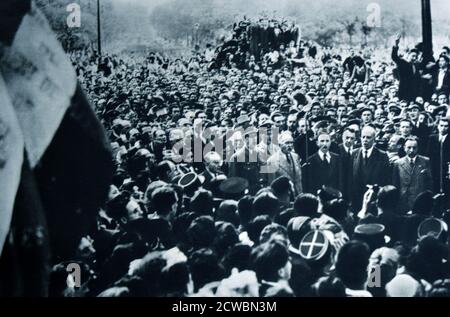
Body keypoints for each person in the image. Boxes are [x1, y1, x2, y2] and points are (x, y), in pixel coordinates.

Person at [351, 126, 391, 211]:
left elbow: (386, 178)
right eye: (363, 137)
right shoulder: (354, 154)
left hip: (374, 199)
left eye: (368, 137)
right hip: (356, 199)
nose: (365, 140)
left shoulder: (382, 156)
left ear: (374, 139)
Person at [392, 137, 433, 214]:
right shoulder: (398, 163)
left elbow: (429, 182)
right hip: (404, 202)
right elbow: (395, 184)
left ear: (418, 148)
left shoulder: (425, 161)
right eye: (409, 147)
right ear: (404, 148)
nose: (411, 150)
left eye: (414, 148)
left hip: (420, 201)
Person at [391, 34, 423, 102]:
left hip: (414, 93)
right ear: (408, 55)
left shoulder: (416, 66)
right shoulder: (403, 63)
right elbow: (394, 57)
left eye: (416, 57)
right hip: (404, 92)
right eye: (413, 56)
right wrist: (396, 45)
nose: (414, 58)